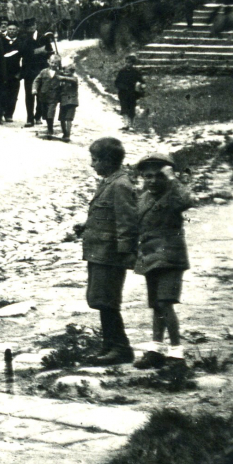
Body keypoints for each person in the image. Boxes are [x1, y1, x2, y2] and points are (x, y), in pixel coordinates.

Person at [73, 137, 137, 365]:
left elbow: (127, 221)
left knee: (107, 300)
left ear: (108, 161)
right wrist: (87, 225)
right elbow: (108, 214)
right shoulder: (110, 181)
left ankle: (121, 348)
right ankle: (109, 344)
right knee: (100, 298)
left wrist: (124, 254)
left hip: (111, 255)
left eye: (96, 160)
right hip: (100, 251)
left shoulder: (120, 185)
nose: (92, 164)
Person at [132, 152, 193, 369]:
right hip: (150, 256)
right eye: (148, 176)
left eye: (159, 176)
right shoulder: (144, 197)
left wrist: (173, 179)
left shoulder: (173, 194)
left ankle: (177, 354)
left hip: (170, 257)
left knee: (166, 303)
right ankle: (156, 350)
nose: (153, 180)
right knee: (157, 305)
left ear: (167, 176)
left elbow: (187, 200)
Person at [48, 60, 80, 142]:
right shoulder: (62, 80)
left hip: (71, 101)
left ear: (72, 72)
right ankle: (64, 133)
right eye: (65, 71)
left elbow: (72, 80)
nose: (66, 73)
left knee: (69, 119)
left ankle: (67, 135)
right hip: (63, 101)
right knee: (62, 119)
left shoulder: (74, 78)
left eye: (68, 72)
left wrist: (62, 77)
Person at [115, 54, 145, 131]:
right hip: (123, 93)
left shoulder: (136, 72)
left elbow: (141, 81)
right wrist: (122, 87)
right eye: (126, 62)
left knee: (131, 108)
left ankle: (131, 125)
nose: (127, 64)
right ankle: (126, 124)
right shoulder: (122, 71)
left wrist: (140, 86)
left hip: (132, 93)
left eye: (130, 63)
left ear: (133, 63)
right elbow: (117, 82)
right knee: (124, 108)